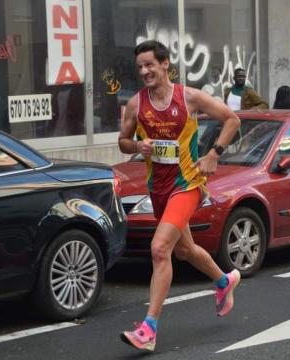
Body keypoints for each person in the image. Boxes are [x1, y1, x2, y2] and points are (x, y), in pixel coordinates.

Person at [117, 40, 242, 352]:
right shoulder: (136, 104)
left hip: (187, 185)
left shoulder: (189, 97)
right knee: (184, 250)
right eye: (140, 67)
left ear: (165, 65)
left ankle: (149, 328)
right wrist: (137, 147)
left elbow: (232, 119)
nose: (145, 71)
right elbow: (122, 140)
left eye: (150, 65)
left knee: (160, 250)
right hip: (157, 188)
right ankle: (224, 280)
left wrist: (214, 154)